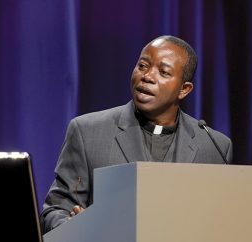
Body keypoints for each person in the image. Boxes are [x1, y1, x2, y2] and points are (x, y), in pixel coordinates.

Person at [40, 35, 233, 233]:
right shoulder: (88, 131)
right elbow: (55, 211)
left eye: (163, 72)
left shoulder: (214, 146)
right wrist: (78, 229)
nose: (147, 76)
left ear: (184, 89)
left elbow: (222, 223)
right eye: (142, 65)